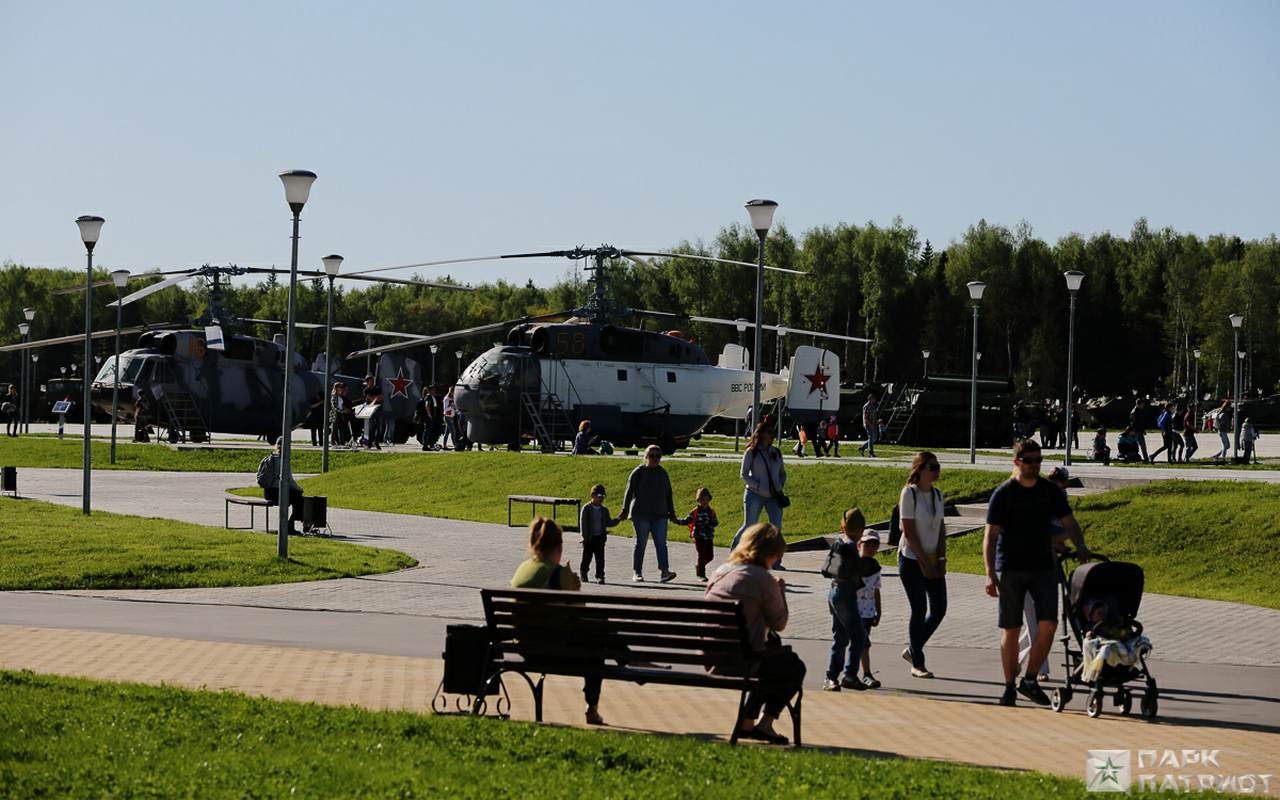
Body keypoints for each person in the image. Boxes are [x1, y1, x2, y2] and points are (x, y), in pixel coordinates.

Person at [984, 439, 1091, 707]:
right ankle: (1010, 686)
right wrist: (989, 572)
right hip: (1011, 567)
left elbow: (1070, 522)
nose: (1035, 465)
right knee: (1011, 628)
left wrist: (1080, 546)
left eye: (1038, 460)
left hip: (1043, 566)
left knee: (1048, 624)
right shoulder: (1004, 493)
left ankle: (1030, 679)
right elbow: (990, 536)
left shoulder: (1049, 491)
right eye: (1029, 461)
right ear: (1016, 462)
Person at [704, 522, 804, 745]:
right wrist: (780, 591)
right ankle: (763, 724)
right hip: (741, 661)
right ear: (769, 553)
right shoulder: (762, 578)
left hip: (710, 655)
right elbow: (779, 623)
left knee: (774, 653)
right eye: (776, 556)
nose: (775, 561)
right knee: (794, 667)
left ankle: (748, 723)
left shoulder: (720, 572)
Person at [510, 517, 605, 726]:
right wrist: (573, 587)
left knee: (596, 632)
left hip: (525, 649)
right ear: (559, 547)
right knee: (597, 640)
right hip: (553, 651)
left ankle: (630, 659)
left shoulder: (523, 569)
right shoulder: (558, 575)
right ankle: (592, 707)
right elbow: (580, 613)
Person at [897, 451, 947, 678]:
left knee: (939, 609)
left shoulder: (937, 494)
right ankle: (918, 663)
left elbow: (941, 529)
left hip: (933, 559)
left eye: (938, 467)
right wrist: (924, 562)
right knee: (919, 609)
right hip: (911, 559)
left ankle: (912, 648)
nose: (936, 471)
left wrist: (941, 559)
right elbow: (909, 532)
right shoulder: (909, 493)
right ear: (920, 469)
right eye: (932, 467)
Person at [822, 508, 869, 692]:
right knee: (858, 635)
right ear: (860, 530)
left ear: (843, 527)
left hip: (833, 592)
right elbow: (856, 575)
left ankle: (831, 677)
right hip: (845, 594)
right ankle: (849, 675)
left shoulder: (839, 543)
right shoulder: (851, 549)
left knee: (840, 637)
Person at [730, 421, 787, 569]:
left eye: (773, 433)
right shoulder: (751, 452)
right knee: (749, 525)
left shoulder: (776, 452)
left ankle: (775, 562)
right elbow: (743, 474)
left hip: (774, 495)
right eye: (769, 432)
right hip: (754, 494)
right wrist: (758, 486)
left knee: (776, 527)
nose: (772, 436)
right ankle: (734, 555)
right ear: (761, 434)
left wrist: (779, 485)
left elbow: (782, 473)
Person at [620, 444, 677, 583]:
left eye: (658, 456)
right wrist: (624, 510)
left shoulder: (663, 473)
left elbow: (668, 494)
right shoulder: (638, 472)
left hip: (660, 514)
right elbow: (629, 492)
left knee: (661, 544)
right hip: (641, 514)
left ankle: (664, 572)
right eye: (652, 456)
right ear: (646, 457)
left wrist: (672, 512)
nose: (655, 459)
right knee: (641, 543)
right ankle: (637, 572)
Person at [256, 440, 304, 536]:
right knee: (300, 500)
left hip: (268, 493)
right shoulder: (283, 460)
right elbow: (289, 480)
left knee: (296, 498)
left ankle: (290, 525)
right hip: (279, 493)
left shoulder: (269, 458)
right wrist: (299, 489)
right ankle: (290, 526)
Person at [856, 529, 883, 688]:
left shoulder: (875, 568)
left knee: (864, 644)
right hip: (854, 611)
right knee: (860, 643)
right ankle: (858, 673)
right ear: (859, 545)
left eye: (874, 546)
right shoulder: (853, 565)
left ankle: (865, 673)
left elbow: (876, 589)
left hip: (868, 612)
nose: (870, 549)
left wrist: (879, 611)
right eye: (867, 545)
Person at [578, 483, 618, 584]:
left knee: (600, 559)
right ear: (592, 496)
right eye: (599, 496)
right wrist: (584, 537)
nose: (601, 498)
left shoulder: (604, 510)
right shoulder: (587, 509)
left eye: (603, 496)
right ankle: (583, 572)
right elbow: (583, 523)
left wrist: (617, 520)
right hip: (589, 538)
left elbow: (608, 522)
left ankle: (600, 576)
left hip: (600, 538)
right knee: (587, 557)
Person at [676, 487, 719, 581]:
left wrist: (713, 522)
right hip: (699, 536)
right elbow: (687, 520)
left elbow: (716, 522)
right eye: (702, 500)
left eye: (707, 499)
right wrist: (677, 521)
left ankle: (699, 566)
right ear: (699, 500)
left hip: (709, 537)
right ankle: (701, 574)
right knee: (702, 555)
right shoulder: (695, 511)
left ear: (709, 500)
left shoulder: (711, 511)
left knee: (710, 556)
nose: (705, 502)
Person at [858, 392, 880, 457]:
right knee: (871, 437)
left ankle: (862, 447)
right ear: (870, 399)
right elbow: (865, 417)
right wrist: (870, 424)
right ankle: (871, 453)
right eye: (873, 399)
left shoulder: (874, 406)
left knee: (874, 438)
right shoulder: (866, 406)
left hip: (874, 423)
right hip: (868, 424)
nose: (875, 400)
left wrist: (877, 422)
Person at [1129, 397, 1150, 463]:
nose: (1143, 406)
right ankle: (1144, 458)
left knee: (1139, 445)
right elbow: (1136, 423)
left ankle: (1144, 458)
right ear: (1138, 404)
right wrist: (1142, 430)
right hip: (1137, 431)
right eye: (1142, 404)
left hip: (1138, 430)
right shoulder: (1135, 412)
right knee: (1140, 445)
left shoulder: (1137, 411)